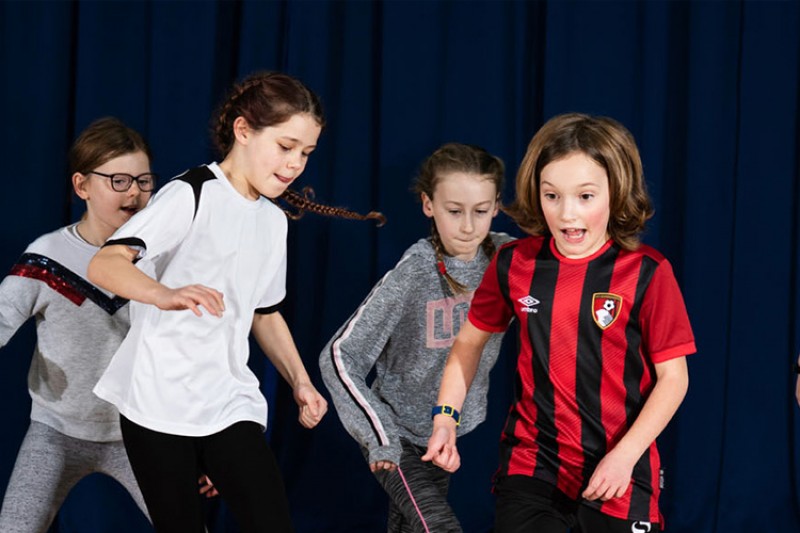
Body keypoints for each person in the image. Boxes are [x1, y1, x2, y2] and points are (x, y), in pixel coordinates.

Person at [87, 71, 383, 533]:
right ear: (244, 131)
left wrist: (300, 381)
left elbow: (264, 312)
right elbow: (105, 265)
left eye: (306, 153)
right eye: (285, 147)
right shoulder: (192, 193)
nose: (295, 165)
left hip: (227, 399)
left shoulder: (273, 221)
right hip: (155, 400)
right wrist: (165, 294)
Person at [424, 113, 695, 533]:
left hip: (620, 459)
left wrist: (624, 457)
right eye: (552, 196)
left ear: (615, 192)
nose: (567, 214)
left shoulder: (647, 273)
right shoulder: (515, 263)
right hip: (534, 460)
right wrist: (445, 419)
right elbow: (467, 344)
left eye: (585, 196)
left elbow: (674, 379)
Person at [320, 143, 512, 533]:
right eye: (454, 211)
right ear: (428, 204)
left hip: (444, 432)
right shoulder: (416, 271)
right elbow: (340, 355)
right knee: (438, 527)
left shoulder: (508, 257)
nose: (468, 227)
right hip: (396, 431)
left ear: (496, 207)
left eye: (480, 211)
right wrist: (381, 435)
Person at [0, 117, 153, 532]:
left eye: (143, 180)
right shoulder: (47, 257)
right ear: (82, 186)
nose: (135, 192)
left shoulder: (161, 259)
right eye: (119, 181)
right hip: (55, 430)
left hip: (141, 433)